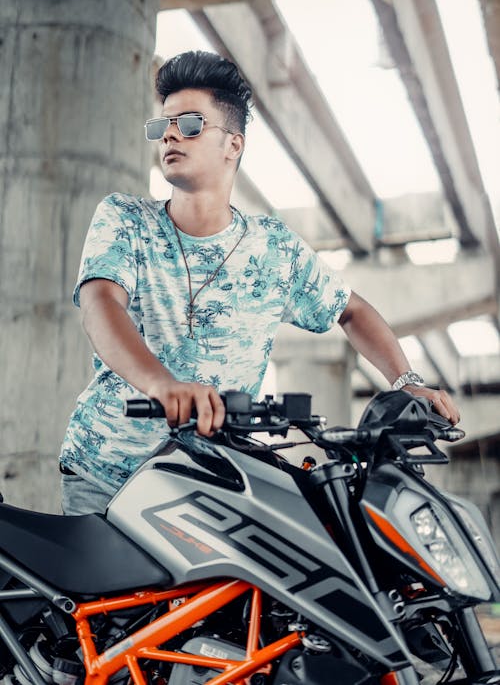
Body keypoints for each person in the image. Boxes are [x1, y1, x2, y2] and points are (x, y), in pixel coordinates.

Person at [59, 50, 459, 515]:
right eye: (161, 125)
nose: (168, 133)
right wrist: (163, 385)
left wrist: (405, 381)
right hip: (107, 475)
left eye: (189, 124)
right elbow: (100, 304)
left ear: (234, 144)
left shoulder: (273, 248)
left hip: (211, 484)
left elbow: (352, 309)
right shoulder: (125, 219)